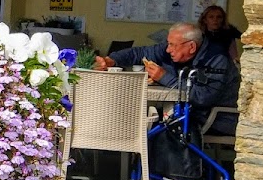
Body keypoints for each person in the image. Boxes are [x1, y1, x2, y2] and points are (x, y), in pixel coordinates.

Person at [94, 22, 239, 134]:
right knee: (138, 121)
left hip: (216, 118)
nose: (168, 49)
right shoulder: (169, 50)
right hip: (188, 112)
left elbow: (203, 97)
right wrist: (112, 60)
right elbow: (140, 52)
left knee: (156, 125)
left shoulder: (216, 59)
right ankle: (141, 165)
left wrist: (164, 77)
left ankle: (168, 170)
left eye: (172, 45)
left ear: (192, 47)